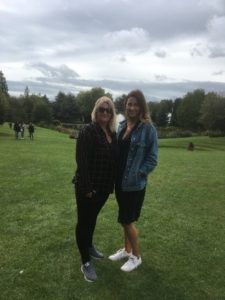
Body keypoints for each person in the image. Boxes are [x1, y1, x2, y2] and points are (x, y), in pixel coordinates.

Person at [109, 90, 158, 272]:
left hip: (134, 185)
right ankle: (127, 250)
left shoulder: (148, 129)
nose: (132, 107)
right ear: (126, 105)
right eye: (130, 104)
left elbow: (152, 159)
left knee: (127, 220)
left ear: (141, 107)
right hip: (120, 183)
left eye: (136, 104)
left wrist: (139, 174)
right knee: (124, 219)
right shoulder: (121, 126)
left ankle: (136, 257)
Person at [73, 96, 117, 282]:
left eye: (108, 110)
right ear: (96, 111)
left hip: (104, 188)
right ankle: (85, 262)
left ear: (112, 114)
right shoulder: (88, 131)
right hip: (87, 188)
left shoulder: (111, 133)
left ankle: (89, 246)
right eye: (102, 109)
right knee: (84, 222)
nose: (105, 113)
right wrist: (88, 188)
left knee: (92, 220)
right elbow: (81, 161)